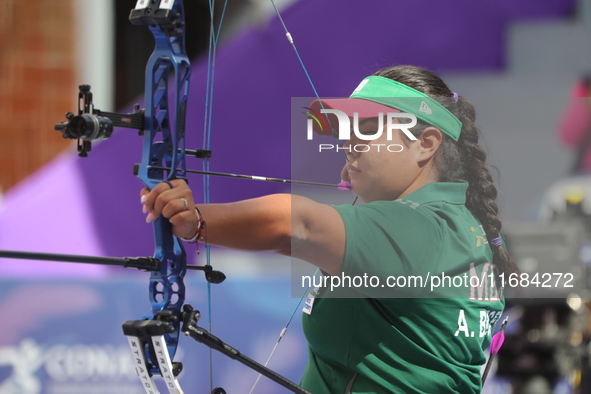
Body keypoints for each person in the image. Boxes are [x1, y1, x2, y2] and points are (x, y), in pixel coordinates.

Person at [140, 65, 518, 393]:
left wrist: (196, 222)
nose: (348, 142)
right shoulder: (461, 229)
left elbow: (296, 224)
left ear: (425, 143)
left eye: (366, 128)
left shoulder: (419, 227)